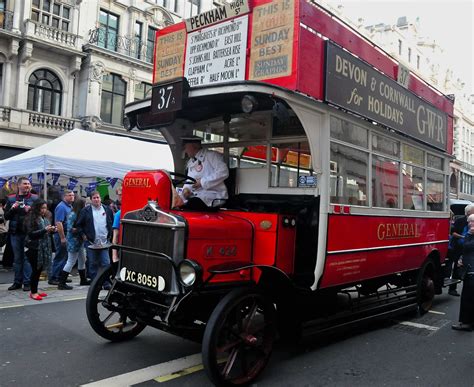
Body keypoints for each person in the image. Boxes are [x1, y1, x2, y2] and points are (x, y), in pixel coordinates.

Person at [4, 177, 38, 291]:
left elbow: (41, 215)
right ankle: (17, 282)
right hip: (15, 233)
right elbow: (6, 216)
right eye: (25, 184)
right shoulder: (11, 198)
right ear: (19, 186)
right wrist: (13, 209)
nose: (27, 185)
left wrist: (31, 211)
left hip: (29, 233)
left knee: (27, 258)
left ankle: (27, 282)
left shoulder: (35, 198)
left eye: (28, 184)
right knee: (17, 258)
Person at [179, 136, 229, 210]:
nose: (185, 150)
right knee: (176, 202)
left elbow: (223, 172)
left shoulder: (211, 156)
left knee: (193, 203)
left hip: (214, 195)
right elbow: (190, 180)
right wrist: (186, 189)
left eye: (186, 147)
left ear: (193, 146)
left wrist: (202, 182)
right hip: (197, 196)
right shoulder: (191, 162)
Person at [75, 191, 113, 283]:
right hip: (91, 242)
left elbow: (111, 222)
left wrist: (110, 235)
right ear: (91, 199)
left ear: (100, 198)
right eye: (94, 198)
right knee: (92, 264)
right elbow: (78, 225)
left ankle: (106, 282)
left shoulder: (107, 209)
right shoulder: (85, 210)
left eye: (98, 197)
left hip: (104, 242)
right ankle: (95, 283)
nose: (96, 199)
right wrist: (83, 235)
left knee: (106, 263)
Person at [23, 199, 56, 301]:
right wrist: (45, 230)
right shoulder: (30, 218)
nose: (44, 210)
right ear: (36, 208)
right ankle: (33, 292)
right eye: (42, 208)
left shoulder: (43, 218)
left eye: (45, 208)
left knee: (38, 270)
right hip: (33, 247)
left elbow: (45, 232)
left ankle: (35, 290)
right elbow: (31, 234)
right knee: (36, 270)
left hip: (41, 247)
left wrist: (51, 230)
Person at [58, 198, 90, 290]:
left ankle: (83, 279)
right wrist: (82, 230)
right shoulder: (73, 215)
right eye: (84, 204)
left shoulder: (78, 214)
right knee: (71, 261)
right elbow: (70, 229)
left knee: (82, 259)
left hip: (79, 241)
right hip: (73, 240)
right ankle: (62, 283)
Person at [452, 213, 474, 331]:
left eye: (472, 222)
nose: (470, 224)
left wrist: (469, 235)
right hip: (470, 269)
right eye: (469, 222)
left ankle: (467, 323)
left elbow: (467, 246)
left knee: (468, 298)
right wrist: (461, 258)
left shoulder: (470, 235)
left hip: (471, 271)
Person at [447, 204, 474, 296]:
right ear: (469, 212)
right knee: (456, 267)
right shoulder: (460, 221)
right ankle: (452, 288)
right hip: (458, 247)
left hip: (469, 248)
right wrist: (464, 237)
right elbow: (453, 232)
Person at [49, 190, 75, 285]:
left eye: (73, 195)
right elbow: (58, 223)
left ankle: (61, 275)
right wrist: (62, 237)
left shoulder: (69, 206)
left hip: (67, 234)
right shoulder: (61, 207)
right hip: (62, 234)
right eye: (70, 195)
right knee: (60, 256)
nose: (72, 197)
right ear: (64, 196)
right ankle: (54, 277)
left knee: (65, 256)